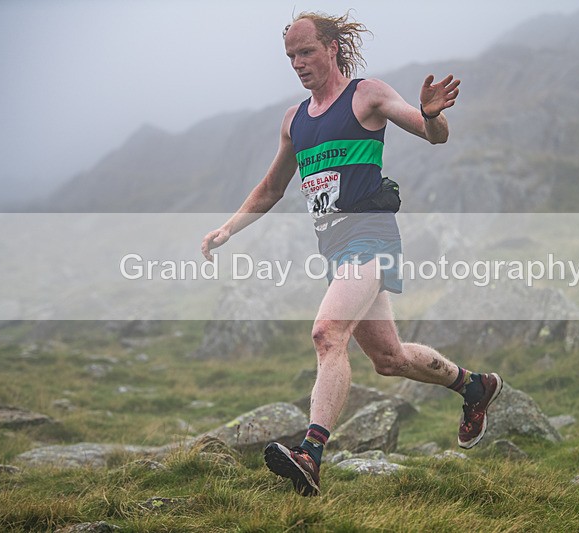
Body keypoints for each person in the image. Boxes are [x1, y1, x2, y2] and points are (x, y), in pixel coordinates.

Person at [201, 11, 502, 497]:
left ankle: (310, 455)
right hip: (338, 252)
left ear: (332, 48)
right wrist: (228, 229)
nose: (298, 63)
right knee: (389, 358)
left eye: (306, 52)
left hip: (372, 237)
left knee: (327, 334)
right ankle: (472, 386)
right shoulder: (294, 121)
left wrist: (430, 114)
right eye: (291, 56)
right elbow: (272, 189)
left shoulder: (366, 96)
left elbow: (434, 135)